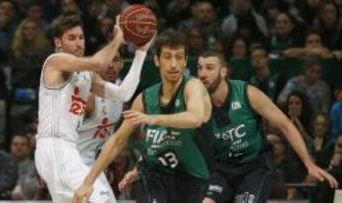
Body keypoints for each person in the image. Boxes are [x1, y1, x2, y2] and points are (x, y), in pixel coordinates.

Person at [74, 29, 213, 203]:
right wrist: (88, 183)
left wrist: (153, 119)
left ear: (185, 61)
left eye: (179, 57)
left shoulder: (193, 87)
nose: (174, 64)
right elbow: (117, 140)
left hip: (193, 179)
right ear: (156, 60)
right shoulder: (145, 99)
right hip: (155, 177)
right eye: (168, 57)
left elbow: (195, 118)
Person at [34, 14, 150, 203]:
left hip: (71, 151)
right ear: (58, 42)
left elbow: (123, 94)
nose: (79, 43)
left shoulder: (87, 75)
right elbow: (99, 63)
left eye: (81, 37)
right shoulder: (55, 61)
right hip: (55, 147)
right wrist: (118, 38)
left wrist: (141, 53)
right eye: (71, 38)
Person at [195, 51, 338, 203]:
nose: (203, 74)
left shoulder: (247, 93)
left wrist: (308, 163)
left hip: (255, 165)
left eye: (209, 68)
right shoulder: (196, 103)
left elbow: (285, 125)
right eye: (199, 68)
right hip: (222, 168)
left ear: (223, 71)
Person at [77, 48, 148, 201]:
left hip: (94, 164)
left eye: (115, 60)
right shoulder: (87, 96)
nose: (110, 65)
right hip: (73, 162)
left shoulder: (120, 91)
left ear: (122, 63)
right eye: (106, 60)